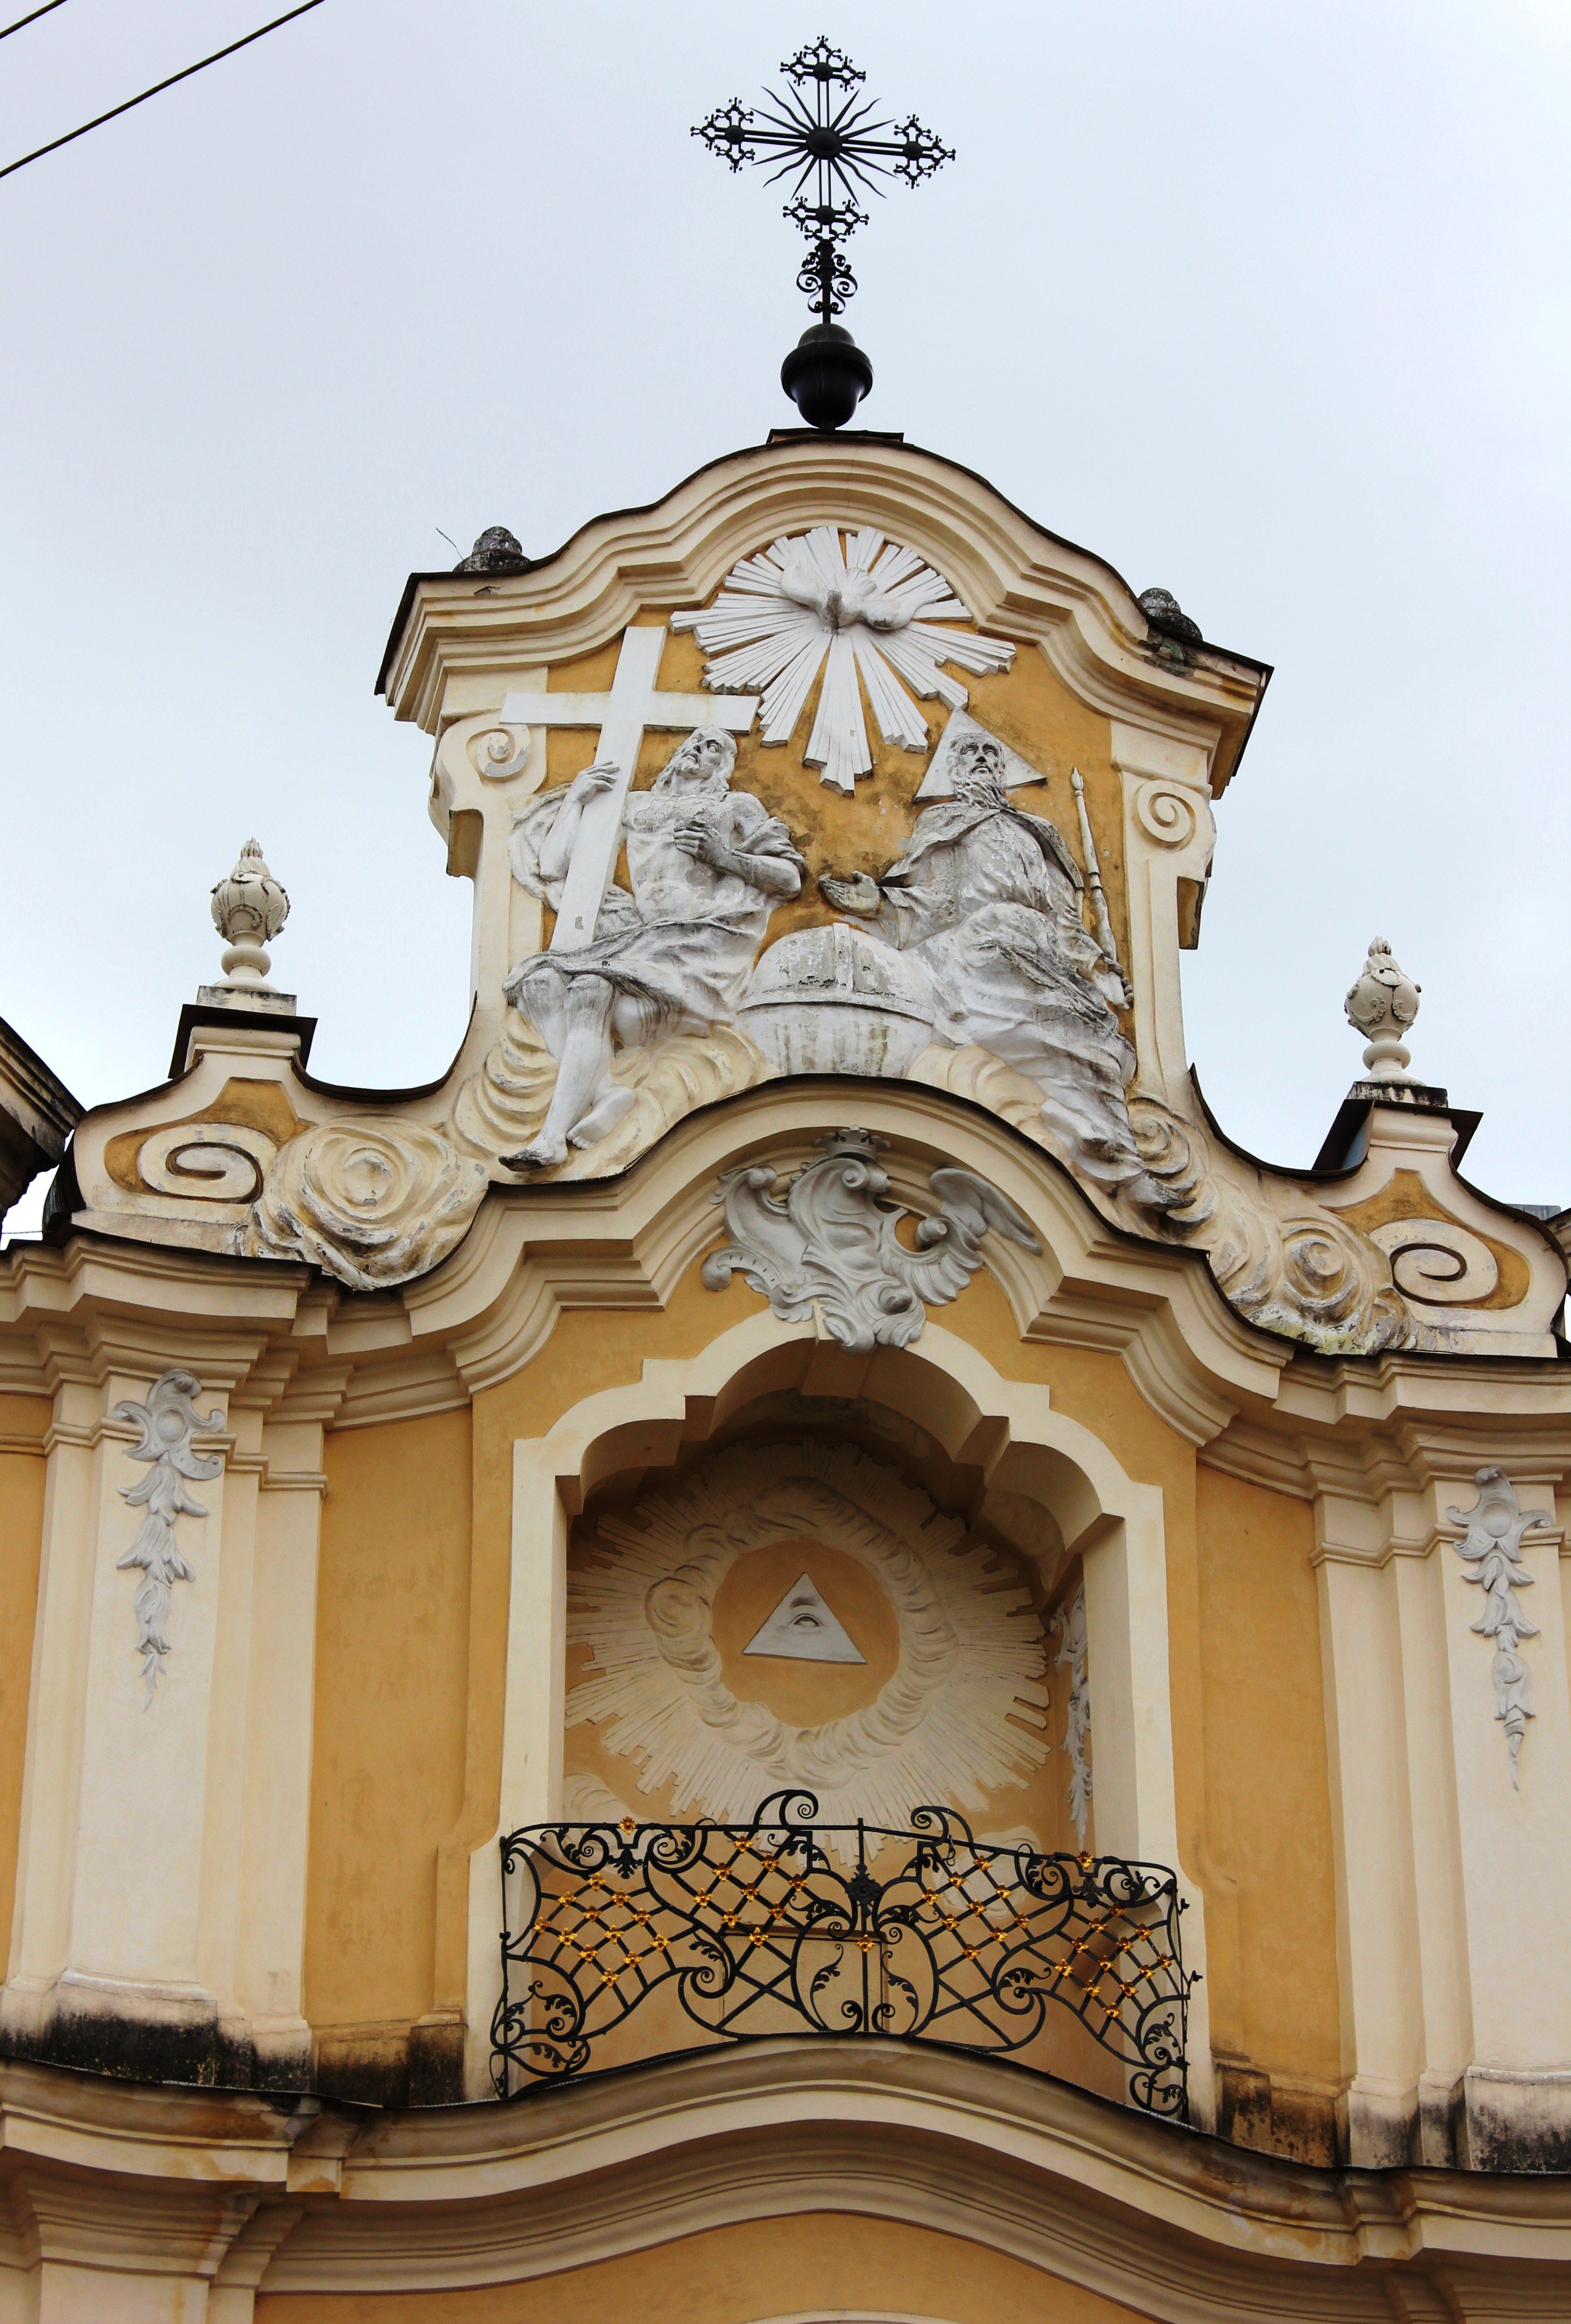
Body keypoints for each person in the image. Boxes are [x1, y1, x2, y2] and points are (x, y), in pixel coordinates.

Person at [820, 731, 1173, 1210]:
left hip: (1044, 952)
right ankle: (1118, 1165)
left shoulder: (1037, 833)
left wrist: (1097, 966)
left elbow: (1063, 920)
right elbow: (939, 898)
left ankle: (1117, 1160)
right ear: (956, 770)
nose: (983, 760)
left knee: (1094, 1049)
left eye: (991, 753)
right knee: (1061, 1039)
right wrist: (881, 901)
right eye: (970, 753)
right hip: (987, 946)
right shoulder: (945, 822)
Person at [503, 728, 804, 1169]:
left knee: (589, 990)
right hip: (640, 934)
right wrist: (576, 800)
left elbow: (789, 878)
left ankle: (551, 1138)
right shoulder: (636, 806)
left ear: (724, 766)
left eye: (714, 747)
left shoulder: (734, 807)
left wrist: (724, 857)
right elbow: (552, 866)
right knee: (539, 984)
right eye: (696, 741)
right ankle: (605, 1090)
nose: (698, 749)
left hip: (701, 935)